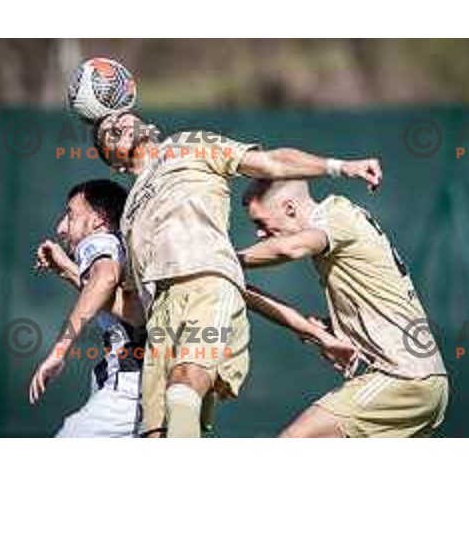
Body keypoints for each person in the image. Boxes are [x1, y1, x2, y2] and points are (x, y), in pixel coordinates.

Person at [93, 111, 383, 437]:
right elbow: (134, 307)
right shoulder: (130, 214)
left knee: (183, 388)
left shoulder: (187, 144)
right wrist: (79, 278)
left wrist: (340, 167)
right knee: (156, 433)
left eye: (121, 118)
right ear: (113, 162)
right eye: (105, 131)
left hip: (208, 288)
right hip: (160, 313)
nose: (115, 124)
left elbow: (271, 163)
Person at [238, 179, 448, 437]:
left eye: (261, 222)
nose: (259, 234)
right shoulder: (343, 227)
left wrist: (221, 257)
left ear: (290, 208)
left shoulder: (335, 215)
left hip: (403, 377)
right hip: (423, 381)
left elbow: (289, 249)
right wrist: (325, 329)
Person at [30, 179, 146, 438]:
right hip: (139, 387)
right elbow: (129, 311)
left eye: (70, 215)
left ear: (98, 220)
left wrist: (59, 351)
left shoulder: (97, 241)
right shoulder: (121, 244)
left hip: (128, 386)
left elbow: (103, 278)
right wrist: (68, 270)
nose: (61, 227)